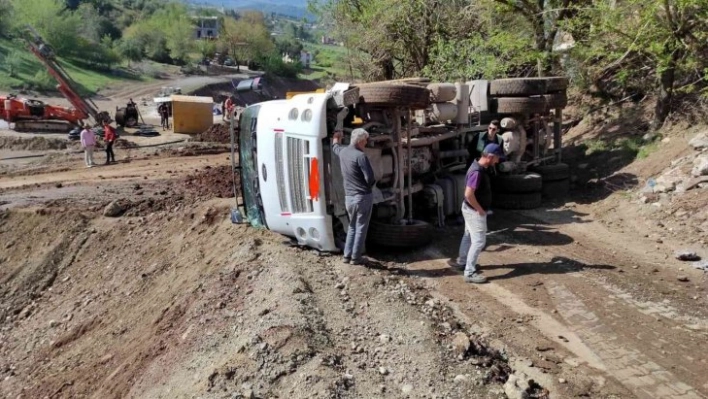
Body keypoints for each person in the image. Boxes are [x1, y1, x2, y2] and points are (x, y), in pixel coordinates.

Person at [455, 143, 503, 284]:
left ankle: (463, 262)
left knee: (468, 235)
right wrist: (480, 210)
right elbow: (469, 194)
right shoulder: (477, 172)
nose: (498, 161)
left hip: (468, 209)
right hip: (474, 211)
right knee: (479, 241)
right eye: (497, 158)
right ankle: (469, 272)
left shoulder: (479, 167)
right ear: (490, 156)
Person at [332, 128, 376, 265]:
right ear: (361, 141)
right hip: (362, 197)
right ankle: (356, 258)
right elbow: (370, 178)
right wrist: (370, 187)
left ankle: (347, 256)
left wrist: (336, 137)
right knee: (361, 227)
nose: (366, 143)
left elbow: (335, 148)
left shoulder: (343, 152)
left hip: (349, 198)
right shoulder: (360, 156)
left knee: (352, 227)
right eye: (366, 140)